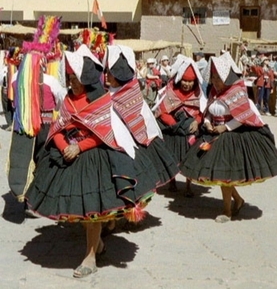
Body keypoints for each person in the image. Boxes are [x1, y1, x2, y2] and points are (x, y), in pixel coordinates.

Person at [25, 44, 179, 278]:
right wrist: (65, 146)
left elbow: (105, 133)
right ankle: (97, 246)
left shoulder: (101, 100)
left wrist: (79, 147)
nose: (71, 82)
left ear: (86, 77)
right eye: (68, 77)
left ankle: (90, 257)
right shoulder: (68, 100)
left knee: (92, 210)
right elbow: (58, 128)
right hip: (69, 156)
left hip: (96, 159)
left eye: (74, 77)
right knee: (82, 210)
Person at [179, 52, 277, 223]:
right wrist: (206, 123)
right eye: (212, 78)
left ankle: (227, 211)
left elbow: (243, 115)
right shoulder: (215, 93)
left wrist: (225, 127)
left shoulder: (237, 92)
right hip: (214, 133)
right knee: (224, 176)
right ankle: (237, 201)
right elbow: (209, 111)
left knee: (225, 174)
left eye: (218, 78)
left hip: (233, 136)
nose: (215, 81)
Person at [7, 16, 67, 209]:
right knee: (43, 161)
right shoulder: (50, 81)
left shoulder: (16, 78)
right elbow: (61, 100)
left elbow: (12, 100)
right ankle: (38, 197)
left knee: (22, 160)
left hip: (22, 125)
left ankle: (23, 194)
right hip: (45, 126)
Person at [154, 54, 207, 197]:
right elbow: (162, 111)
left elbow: (202, 111)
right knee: (171, 155)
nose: (187, 84)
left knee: (190, 156)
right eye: (184, 80)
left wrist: (197, 121)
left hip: (190, 130)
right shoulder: (170, 92)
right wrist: (175, 125)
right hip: (173, 129)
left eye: (190, 81)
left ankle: (189, 184)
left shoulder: (198, 93)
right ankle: (172, 181)